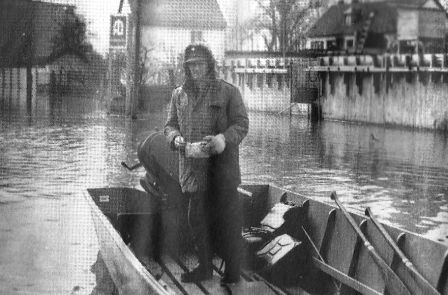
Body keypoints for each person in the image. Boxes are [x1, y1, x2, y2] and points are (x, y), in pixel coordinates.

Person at [164, 44, 249, 284]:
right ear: (186, 68)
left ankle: (232, 270)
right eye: (191, 65)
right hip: (193, 169)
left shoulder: (228, 92)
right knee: (197, 220)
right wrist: (175, 138)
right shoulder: (178, 95)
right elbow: (169, 125)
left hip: (222, 170)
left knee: (227, 221)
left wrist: (223, 139)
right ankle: (204, 268)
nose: (196, 69)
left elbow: (242, 124)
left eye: (200, 64)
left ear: (209, 65)